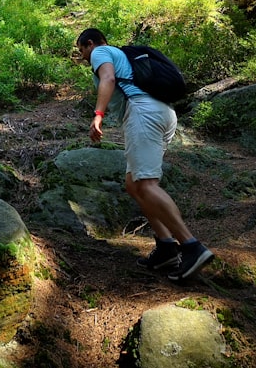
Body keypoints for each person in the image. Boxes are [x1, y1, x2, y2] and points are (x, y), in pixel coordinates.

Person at [76, 28, 213, 281]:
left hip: (142, 113)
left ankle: (192, 247)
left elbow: (108, 79)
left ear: (90, 43)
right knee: (135, 185)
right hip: (160, 112)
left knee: (146, 184)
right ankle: (166, 247)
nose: (83, 56)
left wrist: (98, 115)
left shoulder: (101, 52)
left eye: (81, 50)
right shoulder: (123, 56)